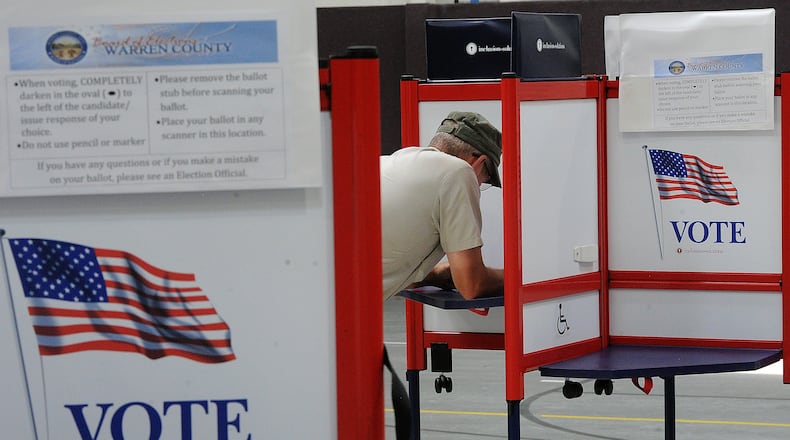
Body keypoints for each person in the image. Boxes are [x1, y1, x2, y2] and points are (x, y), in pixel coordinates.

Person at [381, 111, 505, 301]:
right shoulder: (459, 172)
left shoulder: (391, 161)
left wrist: (434, 275)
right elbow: (473, 286)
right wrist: (524, 277)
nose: (479, 185)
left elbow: (389, 270)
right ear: (480, 163)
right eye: (485, 180)